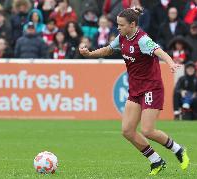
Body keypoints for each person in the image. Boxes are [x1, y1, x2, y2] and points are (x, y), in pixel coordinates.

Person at [79, 7, 190, 175]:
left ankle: (178, 149)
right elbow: (109, 49)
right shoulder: (123, 36)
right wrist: (90, 54)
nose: (118, 28)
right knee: (127, 130)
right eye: (117, 24)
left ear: (132, 24)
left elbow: (159, 51)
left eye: (121, 25)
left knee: (147, 130)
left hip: (152, 87)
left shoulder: (143, 40)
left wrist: (170, 62)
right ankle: (156, 161)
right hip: (135, 88)